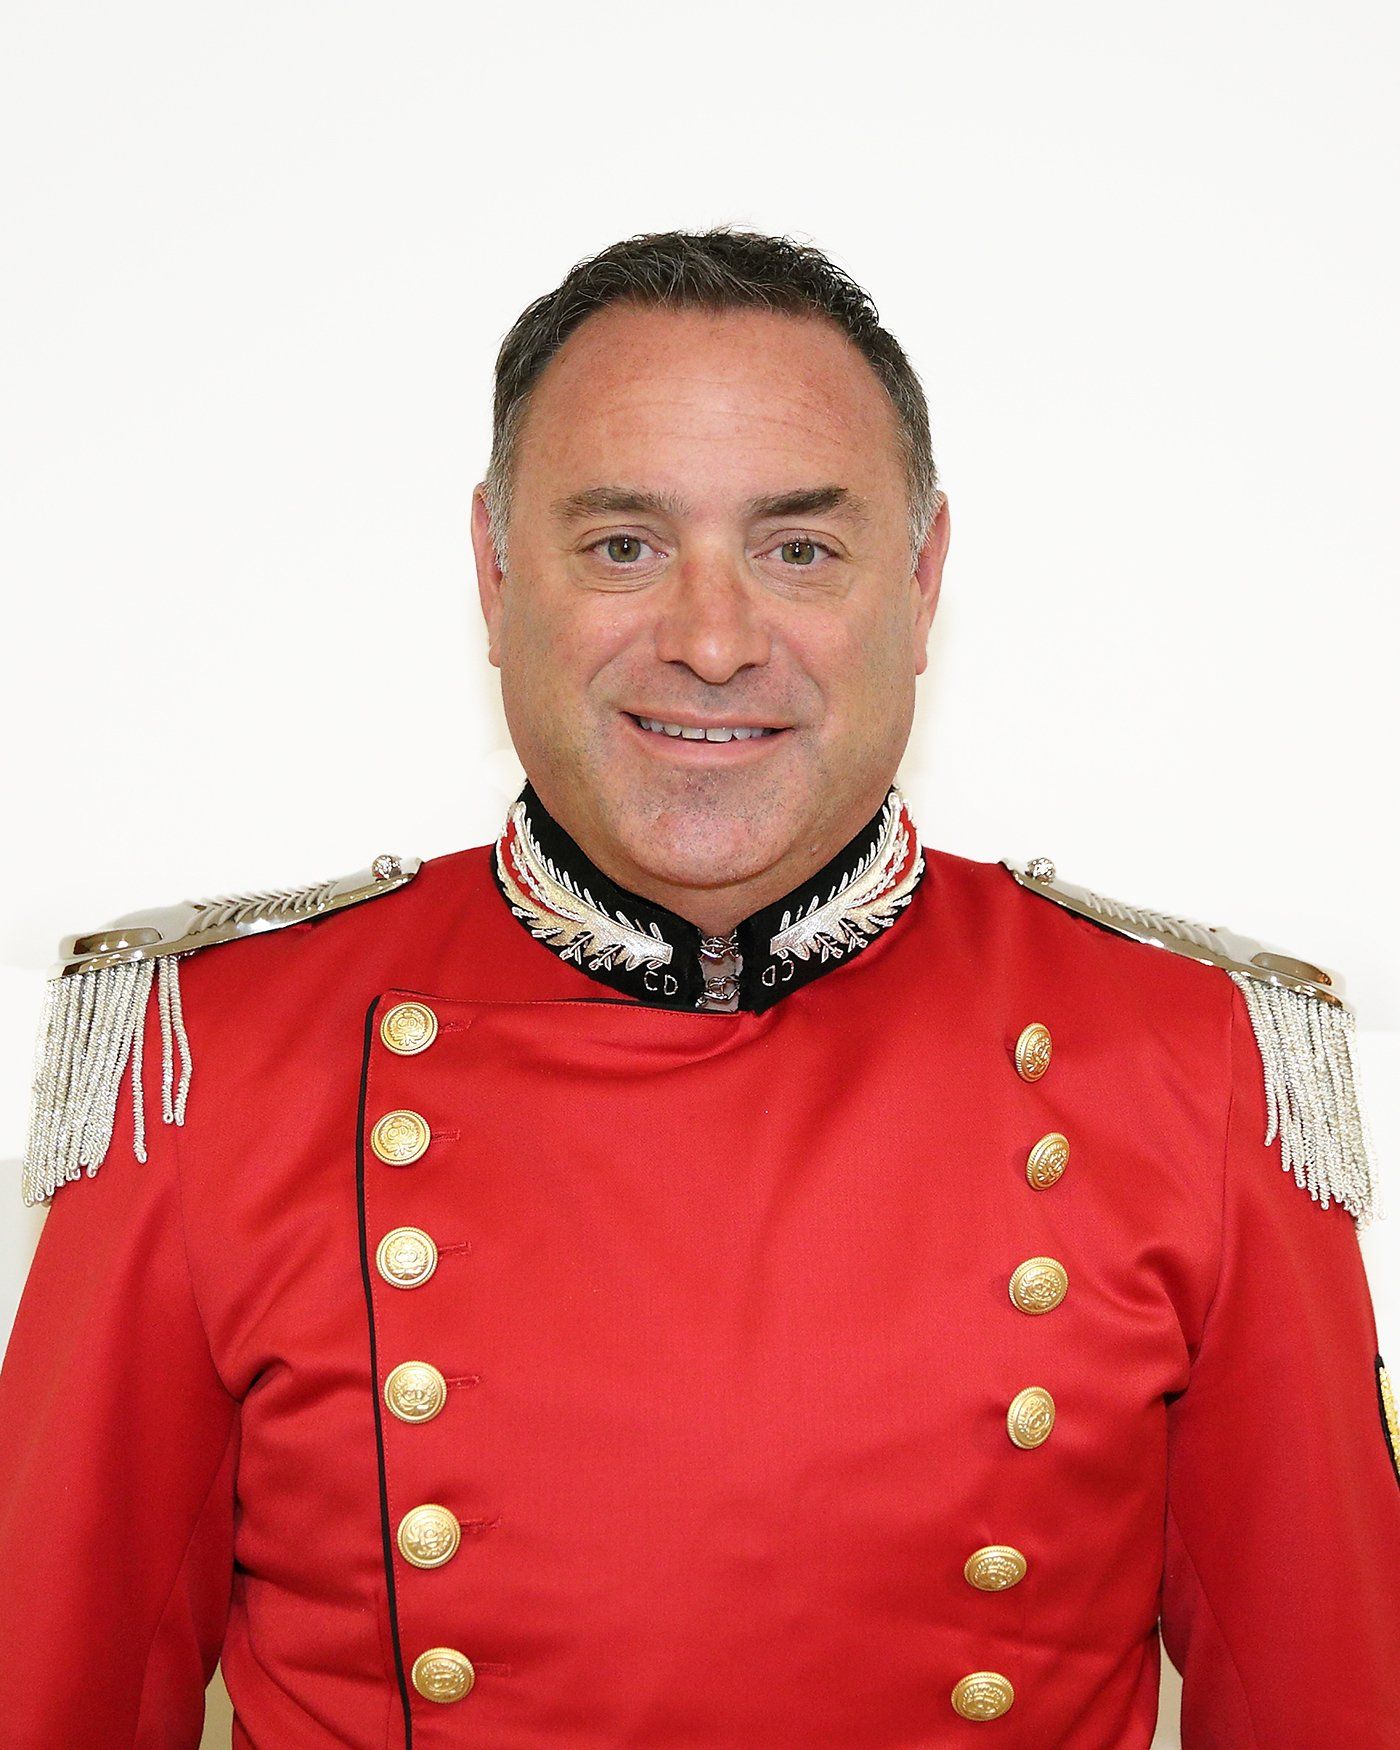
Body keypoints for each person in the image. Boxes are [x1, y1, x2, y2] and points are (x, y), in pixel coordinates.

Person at [0, 225, 1396, 1748]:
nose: (713, 642)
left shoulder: (1199, 1060)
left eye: (799, 550)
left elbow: (1330, 1702)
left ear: (923, 583)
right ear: (494, 575)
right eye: (624, 546)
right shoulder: (203, 1058)